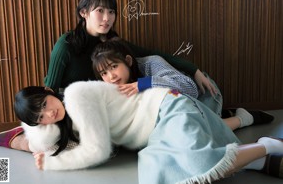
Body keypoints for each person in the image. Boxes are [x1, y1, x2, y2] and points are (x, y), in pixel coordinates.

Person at [0, 0, 218, 152]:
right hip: (74, 107)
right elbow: (50, 88)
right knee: (48, 139)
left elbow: (152, 55)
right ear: (84, 13)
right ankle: (21, 136)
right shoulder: (66, 45)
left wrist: (194, 70)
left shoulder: (113, 44)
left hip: (111, 106)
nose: (107, 18)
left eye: (111, 12)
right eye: (100, 11)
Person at [13, 82, 283, 183]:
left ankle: (267, 146)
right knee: (159, 176)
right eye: (40, 118)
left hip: (165, 109)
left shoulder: (75, 96)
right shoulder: (66, 120)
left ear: (49, 91)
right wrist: (39, 142)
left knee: (198, 163)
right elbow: (15, 139)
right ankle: (259, 160)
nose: (49, 114)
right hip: (153, 134)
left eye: (45, 104)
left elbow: (97, 150)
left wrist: (52, 163)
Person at [91, 38, 274, 131]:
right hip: (183, 103)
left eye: (114, 67)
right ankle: (227, 114)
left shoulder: (151, 63)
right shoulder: (114, 85)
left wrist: (144, 83)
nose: (111, 76)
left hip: (203, 92)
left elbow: (189, 89)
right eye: (104, 73)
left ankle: (244, 118)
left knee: (197, 129)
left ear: (128, 61)